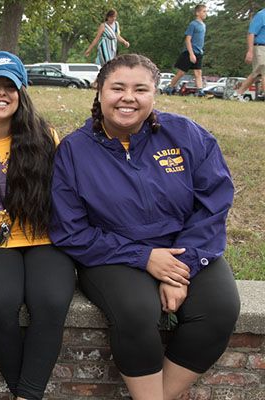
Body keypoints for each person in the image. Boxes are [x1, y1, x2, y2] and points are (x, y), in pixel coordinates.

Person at [49, 53, 240, 400]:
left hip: (188, 246)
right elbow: (70, 230)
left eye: (140, 89)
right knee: (137, 313)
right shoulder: (75, 150)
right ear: (99, 90)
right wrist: (145, 257)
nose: (128, 98)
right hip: (113, 253)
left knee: (219, 311)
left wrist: (182, 267)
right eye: (117, 88)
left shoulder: (186, 135)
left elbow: (214, 201)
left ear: (155, 93)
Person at [0, 51, 75, 400]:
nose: (0, 93)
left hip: (43, 237)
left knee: (52, 302)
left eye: (9, 86)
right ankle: (25, 391)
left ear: (21, 93)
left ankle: (26, 395)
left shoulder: (45, 136)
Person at [163, 4, 208, 95]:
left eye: (206, 11)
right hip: (189, 52)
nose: (205, 13)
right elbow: (188, 39)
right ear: (197, 13)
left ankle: (200, 91)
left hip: (199, 52)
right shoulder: (193, 24)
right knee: (181, 73)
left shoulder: (203, 25)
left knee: (198, 73)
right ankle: (169, 88)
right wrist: (191, 54)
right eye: (203, 11)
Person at [231, 7, 265, 101]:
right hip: (260, 47)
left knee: (256, 74)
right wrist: (250, 51)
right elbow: (251, 33)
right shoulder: (261, 15)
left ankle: (237, 94)